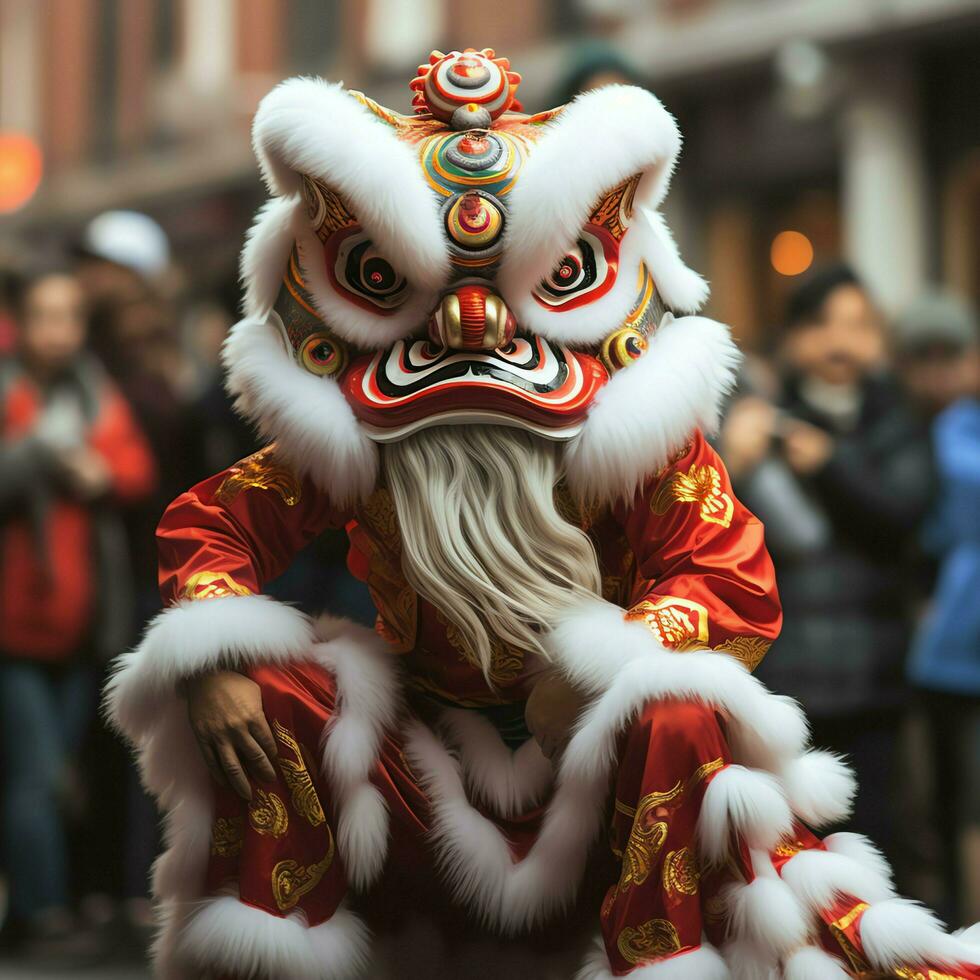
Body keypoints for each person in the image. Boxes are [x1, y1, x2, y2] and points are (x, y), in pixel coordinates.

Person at [107, 51, 980, 978]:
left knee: (679, 713)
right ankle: (278, 956)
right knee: (270, 688)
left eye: (544, 276)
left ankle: (657, 958)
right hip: (422, 771)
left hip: (594, 768)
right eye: (399, 278)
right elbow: (215, 525)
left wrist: (600, 669)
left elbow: (729, 576)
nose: (471, 324)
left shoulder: (633, 445)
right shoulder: (365, 443)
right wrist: (212, 661)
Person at [720, 264, 935, 872]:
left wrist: (830, 464)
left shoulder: (896, 418)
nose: (840, 342)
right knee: (795, 855)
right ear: (792, 334)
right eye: (822, 324)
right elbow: (714, 536)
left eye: (858, 325)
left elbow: (904, 514)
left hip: (877, 674)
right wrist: (736, 461)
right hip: (788, 682)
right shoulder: (756, 414)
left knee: (879, 841)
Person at [0, 264, 156, 956]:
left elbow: (136, 469)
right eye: (44, 315)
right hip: (13, 625)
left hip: (84, 620)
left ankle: (55, 905)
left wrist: (102, 473)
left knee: (64, 771)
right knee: (33, 775)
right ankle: (41, 914)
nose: (57, 331)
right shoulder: (11, 394)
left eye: (69, 317)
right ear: (19, 322)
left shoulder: (95, 392)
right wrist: (36, 455)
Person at [894, 290, 980, 925]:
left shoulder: (958, 432)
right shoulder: (896, 424)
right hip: (938, 636)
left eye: (950, 355)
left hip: (953, 626)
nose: (938, 371)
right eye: (922, 357)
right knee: (940, 787)